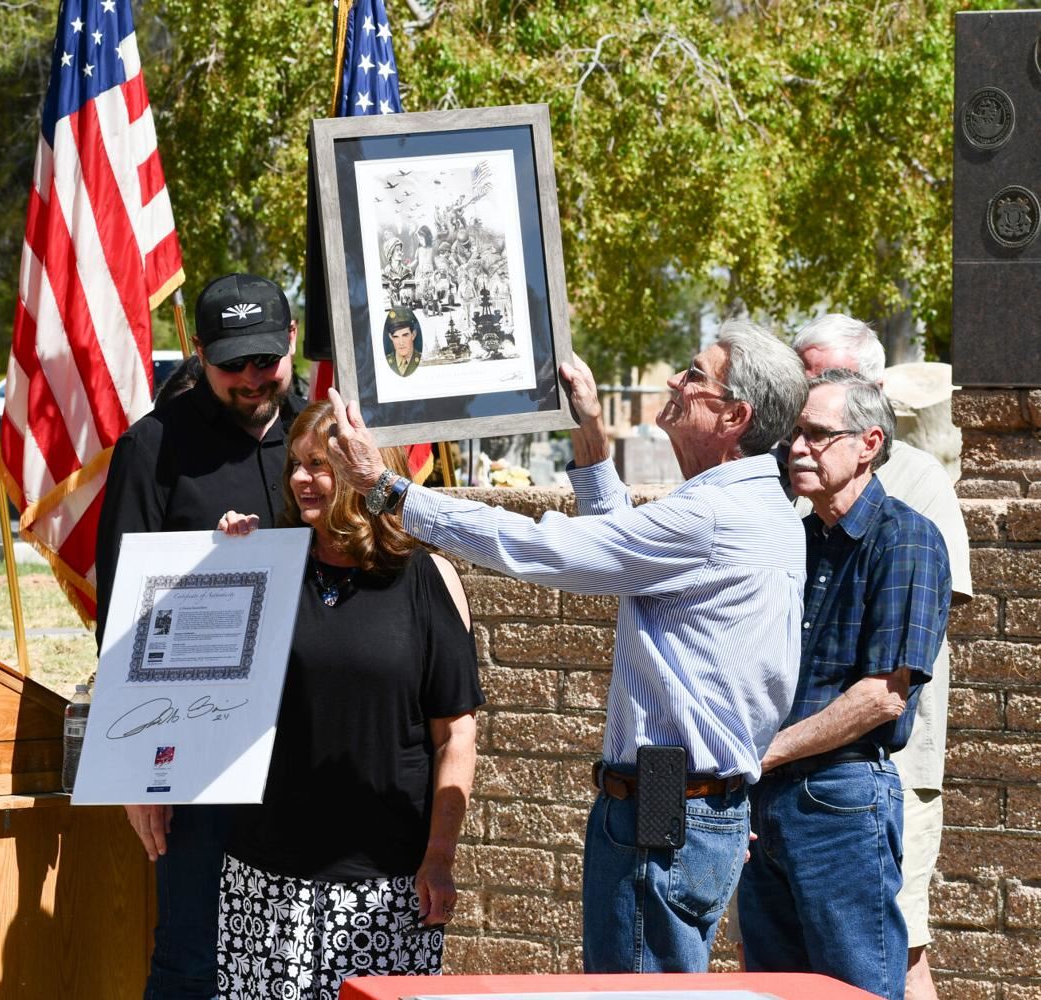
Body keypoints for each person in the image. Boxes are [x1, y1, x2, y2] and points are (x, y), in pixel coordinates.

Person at [324, 319, 810, 973]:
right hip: (687, 801)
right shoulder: (755, 507)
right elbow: (622, 550)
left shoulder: (712, 516)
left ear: (735, 415)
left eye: (694, 375)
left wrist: (391, 493)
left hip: (666, 807)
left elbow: (555, 550)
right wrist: (588, 433)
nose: (673, 379)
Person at [213, 400, 481, 1000]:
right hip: (267, 877)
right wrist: (225, 564)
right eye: (296, 465)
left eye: (321, 465)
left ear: (364, 471)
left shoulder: (426, 576)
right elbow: (206, 684)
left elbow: (454, 735)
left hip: (384, 884)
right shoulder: (266, 564)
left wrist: (439, 855)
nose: (302, 479)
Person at [95, 272, 305, 1000]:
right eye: (232, 364)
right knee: (193, 960)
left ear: (292, 343)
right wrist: (136, 774)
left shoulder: (328, 442)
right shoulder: (152, 447)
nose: (252, 379)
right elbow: (121, 618)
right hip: (198, 762)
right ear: (197, 351)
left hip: (316, 746)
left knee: (299, 957)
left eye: (265, 360)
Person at [738, 369, 952, 1000]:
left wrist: (762, 755)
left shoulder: (906, 537)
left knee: (854, 990)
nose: (796, 448)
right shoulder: (794, 539)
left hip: (841, 799)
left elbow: (884, 693)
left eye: (816, 435)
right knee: (774, 991)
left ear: (869, 443)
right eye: (793, 435)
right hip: (765, 800)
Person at [793, 315, 973, 1000]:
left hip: (886, 766)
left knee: (894, 954)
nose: (812, 398)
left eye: (829, 380)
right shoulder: (799, 488)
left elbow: (900, 662)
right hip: (797, 767)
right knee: (786, 960)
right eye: (806, 382)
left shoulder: (915, 485)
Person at [384, 307, 424, 377]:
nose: (401, 343)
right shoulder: (385, 362)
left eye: (405, 335)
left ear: (413, 335)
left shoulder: (423, 359)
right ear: (390, 337)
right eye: (396, 337)